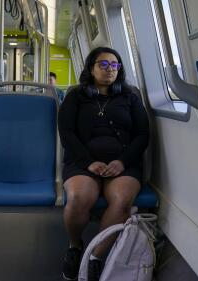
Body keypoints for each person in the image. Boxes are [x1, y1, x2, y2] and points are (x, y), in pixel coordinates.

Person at [58, 47, 149, 281]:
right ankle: (75, 246)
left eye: (115, 65)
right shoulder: (75, 96)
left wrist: (122, 162)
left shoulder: (130, 97)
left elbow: (142, 134)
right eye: (104, 65)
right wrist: (88, 162)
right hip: (82, 162)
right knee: (79, 198)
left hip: (123, 164)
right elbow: (67, 132)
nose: (110, 70)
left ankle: (95, 256)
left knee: (122, 202)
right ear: (91, 68)